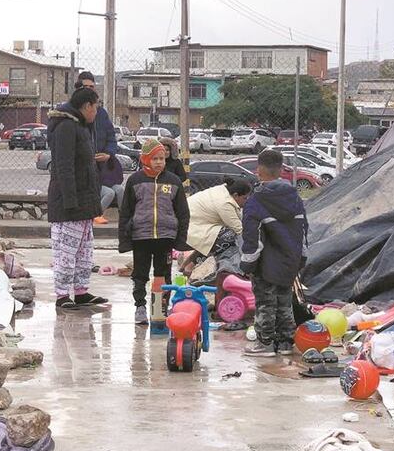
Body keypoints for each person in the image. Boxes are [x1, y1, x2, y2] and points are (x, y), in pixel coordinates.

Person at [240, 149, 308, 357]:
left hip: (266, 263)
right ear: (281, 170)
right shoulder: (295, 198)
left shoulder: (257, 200)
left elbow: (253, 238)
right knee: (284, 301)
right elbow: (303, 230)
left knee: (266, 303)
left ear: (258, 170)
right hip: (290, 260)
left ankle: (265, 343)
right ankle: (286, 342)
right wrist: (300, 258)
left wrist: (247, 264)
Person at [47, 86, 108, 310]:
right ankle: (62, 295)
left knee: (84, 251)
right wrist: (71, 201)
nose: (97, 111)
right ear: (86, 106)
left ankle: (81, 291)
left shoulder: (80, 126)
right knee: (66, 251)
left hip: (84, 203)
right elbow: (64, 167)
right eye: (96, 106)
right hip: (68, 205)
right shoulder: (65, 127)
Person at [119, 140, 191, 325]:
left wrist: (180, 240)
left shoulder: (173, 181)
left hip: (165, 238)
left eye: (162, 158)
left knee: (162, 275)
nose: (159, 162)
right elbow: (126, 211)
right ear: (145, 159)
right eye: (155, 158)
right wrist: (124, 240)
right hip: (141, 237)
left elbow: (183, 213)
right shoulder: (135, 180)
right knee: (140, 274)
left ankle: (160, 307)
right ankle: (140, 306)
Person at [75, 71, 122, 225]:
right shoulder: (72, 114)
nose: (90, 89)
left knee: (118, 190)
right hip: (84, 169)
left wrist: (108, 154)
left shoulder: (101, 113)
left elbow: (111, 137)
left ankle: (126, 219)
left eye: (92, 87)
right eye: (86, 86)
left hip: (103, 169)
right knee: (106, 193)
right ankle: (92, 216)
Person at [182, 178, 253, 275]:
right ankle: (190, 266)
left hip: (196, 224)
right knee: (228, 236)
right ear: (236, 195)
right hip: (190, 228)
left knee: (217, 236)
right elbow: (239, 229)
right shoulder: (225, 203)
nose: (246, 201)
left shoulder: (223, 190)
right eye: (245, 198)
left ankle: (189, 261)